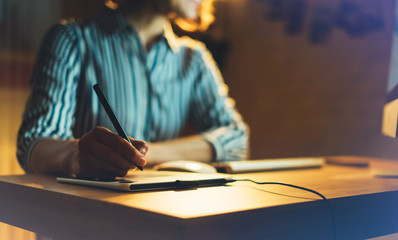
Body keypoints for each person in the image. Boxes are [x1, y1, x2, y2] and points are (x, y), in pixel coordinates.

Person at [17, 0, 249, 179]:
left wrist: (143, 154)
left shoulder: (193, 59)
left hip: (158, 218)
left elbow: (236, 139)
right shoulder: (72, 40)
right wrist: (75, 156)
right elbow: (33, 144)